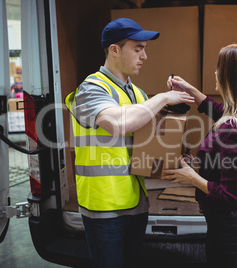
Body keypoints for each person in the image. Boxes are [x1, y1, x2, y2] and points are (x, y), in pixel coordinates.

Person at [64, 18, 194, 268]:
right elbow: (118, 124)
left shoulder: (137, 93)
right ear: (114, 49)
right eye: (138, 48)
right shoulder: (91, 89)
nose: (144, 56)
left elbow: (149, 141)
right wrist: (163, 97)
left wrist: (175, 160)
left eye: (145, 49)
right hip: (104, 208)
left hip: (135, 204)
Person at [162, 42, 237, 267]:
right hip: (228, 221)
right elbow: (216, 108)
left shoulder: (232, 128)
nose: (215, 72)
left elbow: (233, 197)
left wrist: (190, 177)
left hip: (229, 225)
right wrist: (188, 89)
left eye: (219, 68)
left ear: (232, 77)